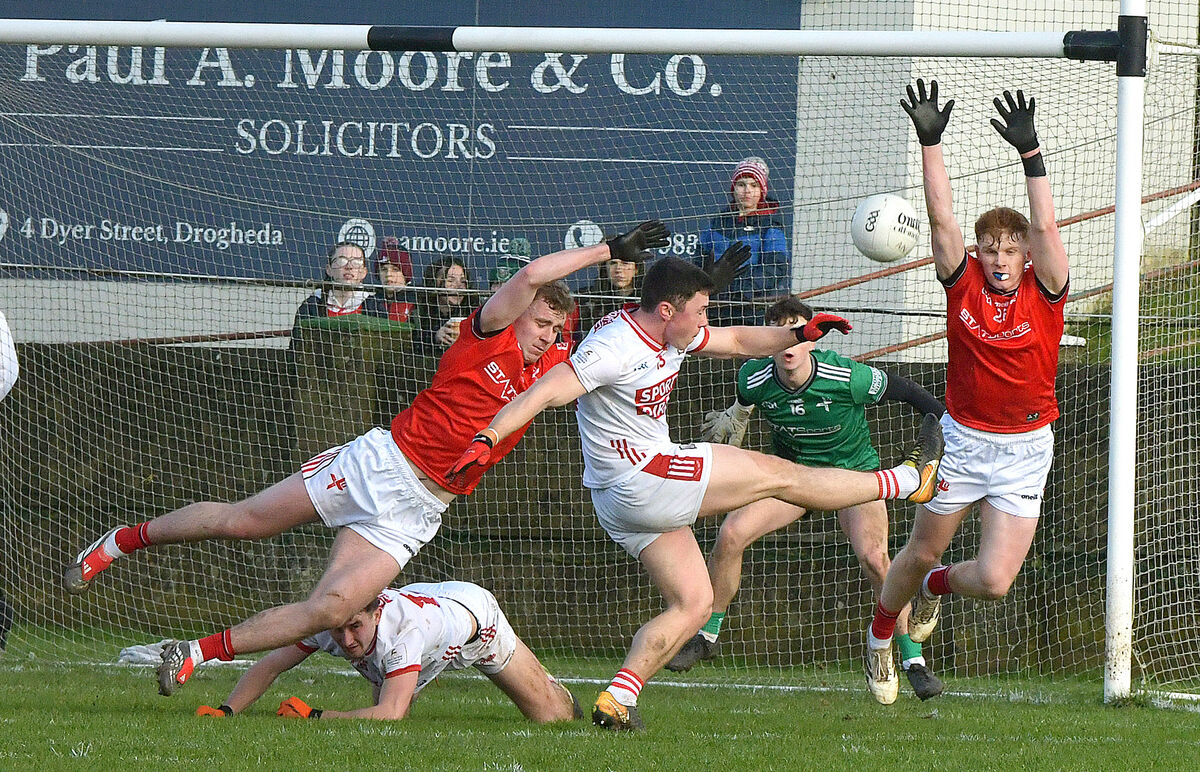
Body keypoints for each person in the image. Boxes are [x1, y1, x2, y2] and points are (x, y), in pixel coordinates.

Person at [61, 221, 670, 698]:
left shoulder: (556, 369)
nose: (544, 334)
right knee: (243, 522)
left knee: (332, 608)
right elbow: (536, 272)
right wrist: (606, 249)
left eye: (554, 329)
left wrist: (669, 291)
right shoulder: (490, 329)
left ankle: (194, 653)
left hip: (421, 507)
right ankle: (121, 541)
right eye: (540, 321)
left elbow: (641, 332)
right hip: (383, 462)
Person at [447, 253, 945, 731]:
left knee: (695, 602)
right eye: (700, 310)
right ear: (667, 310)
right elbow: (547, 389)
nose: (706, 319)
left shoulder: (666, 331)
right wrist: (489, 436)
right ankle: (905, 480)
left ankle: (619, 696)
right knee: (780, 474)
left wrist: (797, 333)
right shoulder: (615, 345)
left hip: (620, 502)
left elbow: (735, 340)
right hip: (644, 476)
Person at [863, 80, 1070, 705]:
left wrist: (1030, 154)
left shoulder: (1047, 286)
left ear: (1026, 253)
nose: (1000, 256)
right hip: (965, 442)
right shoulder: (964, 287)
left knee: (997, 580)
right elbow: (941, 218)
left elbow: (1047, 220)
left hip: (1027, 446)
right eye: (991, 248)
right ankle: (879, 639)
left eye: (1011, 248)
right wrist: (932, 142)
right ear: (978, 254)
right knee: (921, 548)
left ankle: (934, 593)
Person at [664, 296, 946, 701]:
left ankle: (909, 658)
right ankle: (707, 635)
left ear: (811, 339)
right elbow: (743, 405)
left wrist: (947, 427)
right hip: (793, 479)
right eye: (780, 331)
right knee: (731, 534)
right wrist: (735, 416)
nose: (789, 343)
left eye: (796, 329)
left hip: (854, 477)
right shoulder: (753, 377)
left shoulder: (845, 375)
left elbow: (909, 392)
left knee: (874, 559)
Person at [194, 582, 580, 723]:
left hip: (476, 620)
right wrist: (227, 710)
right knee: (380, 723)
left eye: (355, 628)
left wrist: (315, 715)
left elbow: (389, 715)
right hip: (431, 606)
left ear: (376, 612)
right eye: (338, 629)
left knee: (553, 717)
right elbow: (271, 665)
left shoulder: (404, 635)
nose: (345, 640)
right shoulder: (334, 624)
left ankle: (577, 700)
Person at [698, 157, 790, 326]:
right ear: (733, 189)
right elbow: (699, 260)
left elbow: (776, 267)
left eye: (754, 185)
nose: (747, 190)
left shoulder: (770, 225)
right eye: (741, 184)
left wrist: (743, 290)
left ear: (762, 190)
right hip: (712, 305)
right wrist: (709, 286)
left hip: (749, 308)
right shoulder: (717, 222)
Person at [290, 241, 387, 348]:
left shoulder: (374, 307)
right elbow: (297, 347)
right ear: (329, 269)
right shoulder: (312, 306)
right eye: (341, 260)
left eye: (356, 262)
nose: (349, 267)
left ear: (364, 272)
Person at [413, 256, 472, 358]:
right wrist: (434, 338)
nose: (459, 286)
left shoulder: (472, 313)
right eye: (450, 281)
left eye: (463, 281)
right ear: (434, 282)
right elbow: (408, 342)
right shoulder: (417, 312)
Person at [578, 257, 643, 334]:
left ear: (636, 269)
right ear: (605, 269)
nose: (618, 269)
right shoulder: (588, 299)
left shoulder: (646, 300)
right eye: (613, 263)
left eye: (625, 263)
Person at [375, 236, 416, 323]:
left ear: (405, 274)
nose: (388, 275)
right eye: (383, 269)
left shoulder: (418, 303)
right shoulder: (370, 302)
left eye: (395, 269)